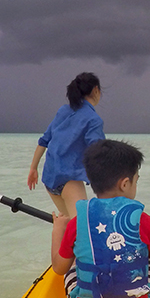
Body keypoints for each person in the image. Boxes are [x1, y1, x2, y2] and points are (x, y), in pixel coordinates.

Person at [51, 139, 150, 298]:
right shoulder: (143, 220)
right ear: (125, 184)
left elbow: (58, 268)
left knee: (71, 270)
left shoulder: (77, 222)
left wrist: (58, 231)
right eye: (136, 179)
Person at [28, 72, 105, 216]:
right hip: (70, 182)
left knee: (69, 224)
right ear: (96, 90)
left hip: (49, 178)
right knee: (81, 228)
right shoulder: (94, 120)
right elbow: (99, 153)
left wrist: (33, 169)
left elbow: (44, 141)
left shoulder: (63, 110)